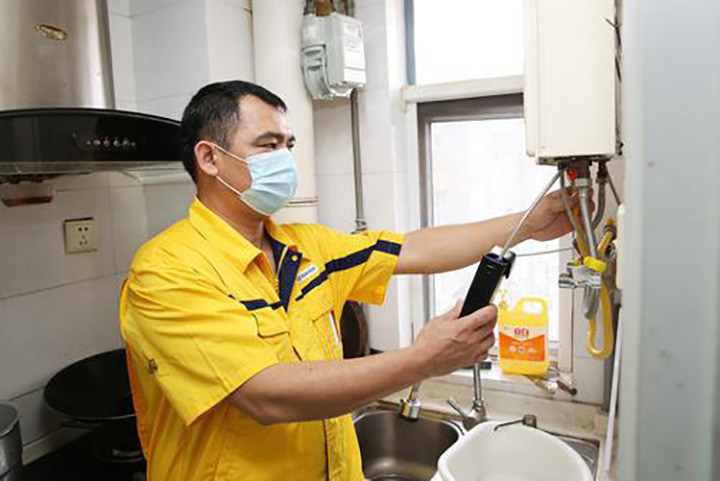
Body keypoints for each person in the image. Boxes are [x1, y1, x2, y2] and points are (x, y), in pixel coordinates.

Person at [119, 80, 576, 480]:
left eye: (288, 145)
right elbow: (264, 396)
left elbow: (413, 249)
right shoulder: (166, 271)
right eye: (268, 145)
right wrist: (423, 359)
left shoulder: (306, 248)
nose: (285, 160)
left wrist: (528, 223)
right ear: (209, 158)